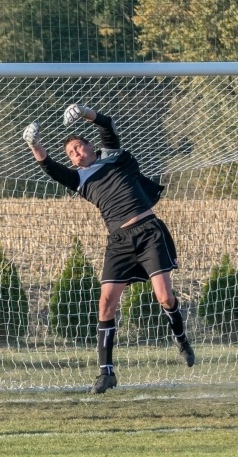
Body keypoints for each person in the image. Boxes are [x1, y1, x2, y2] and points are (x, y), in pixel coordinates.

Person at [22, 104, 195, 394]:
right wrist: (33, 144)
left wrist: (83, 112)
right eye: (71, 154)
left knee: (165, 298)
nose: (76, 154)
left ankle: (181, 339)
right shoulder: (79, 179)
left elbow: (107, 125)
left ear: (91, 147)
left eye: (79, 147)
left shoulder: (114, 157)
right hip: (119, 242)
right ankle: (106, 373)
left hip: (149, 232)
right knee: (106, 303)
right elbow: (49, 167)